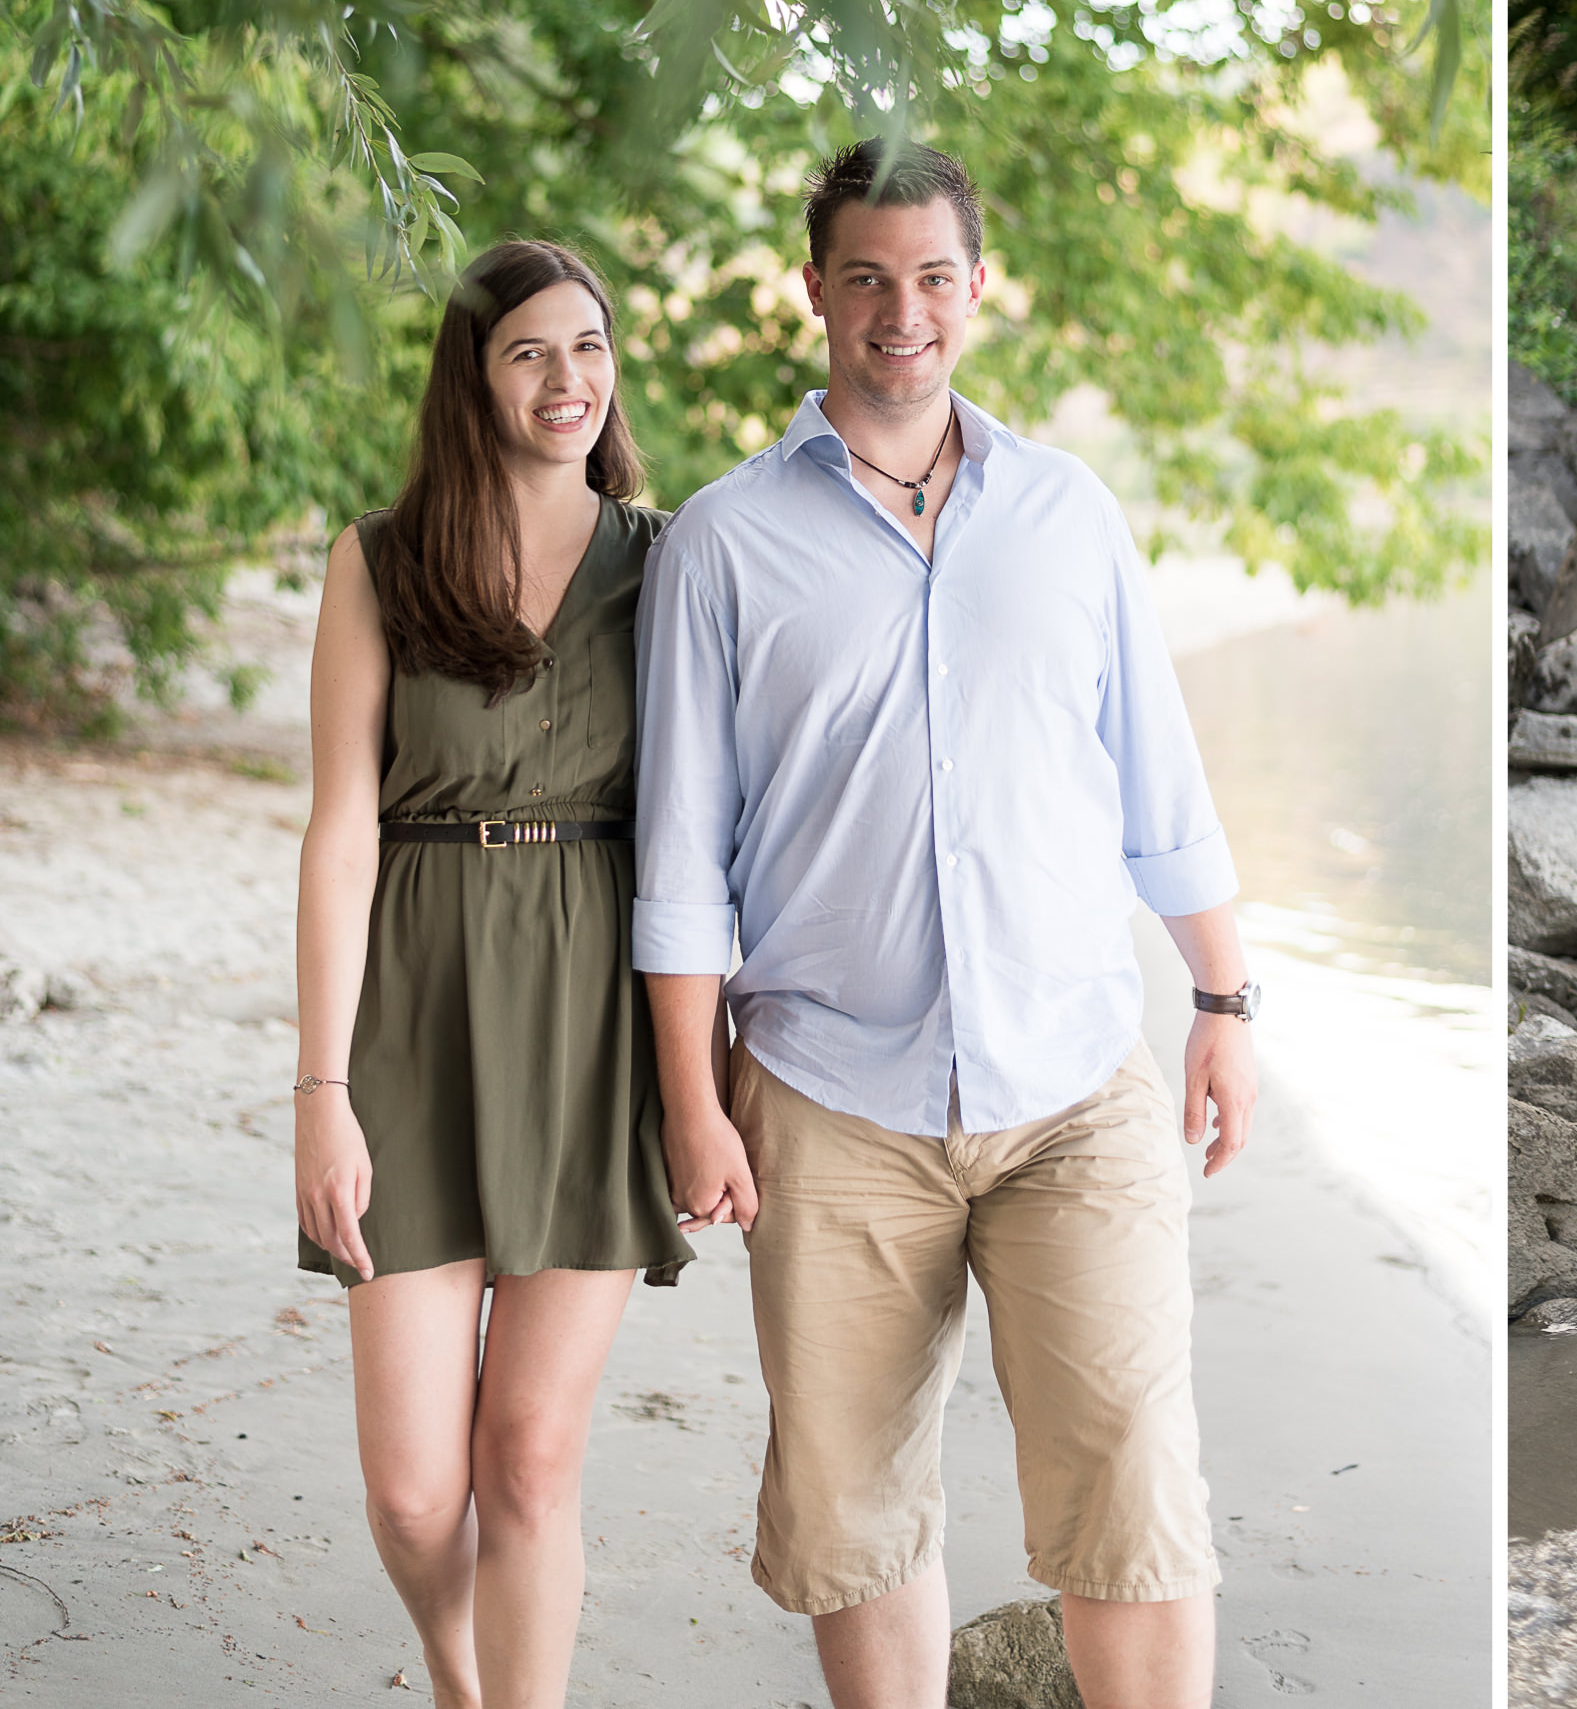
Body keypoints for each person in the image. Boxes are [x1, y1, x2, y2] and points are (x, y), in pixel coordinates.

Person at [634, 141, 1257, 1709]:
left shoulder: (1067, 513)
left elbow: (1158, 781)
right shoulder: (721, 541)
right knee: (854, 1511)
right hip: (832, 1098)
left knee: (1133, 1489)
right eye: (866, 277)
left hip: (1073, 1085)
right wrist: (690, 1101)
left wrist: (1226, 1000)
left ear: (977, 286)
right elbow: (679, 858)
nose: (899, 312)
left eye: (930, 276)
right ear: (816, 293)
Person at [292, 239, 694, 1708]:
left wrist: (713, 1074)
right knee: (412, 1490)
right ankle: (459, 1674)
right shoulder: (380, 560)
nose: (565, 379)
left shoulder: (668, 562)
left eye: (586, 347)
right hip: (412, 1016)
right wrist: (320, 1089)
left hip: (594, 1015)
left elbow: (727, 824)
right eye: (528, 351)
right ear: (472, 378)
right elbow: (340, 834)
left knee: (527, 1454)